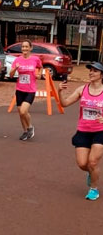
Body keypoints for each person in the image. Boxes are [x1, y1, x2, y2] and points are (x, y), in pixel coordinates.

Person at [58, 62, 103, 201]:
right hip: (83, 130)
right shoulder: (82, 89)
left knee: (93, 162)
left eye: (95, 71)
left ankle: (94, 189)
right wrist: (59, 91)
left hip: (100, 131)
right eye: (90, 70)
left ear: (101, 75)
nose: (91, 73)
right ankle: (91, 173)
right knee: (83, 164)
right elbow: (64, 103)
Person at [9, 40, 42, 141]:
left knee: (24, 111)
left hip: (30, 90)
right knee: (20, 112)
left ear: (30, 48)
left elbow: (40, 68)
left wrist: (39, 75)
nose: (24, 49)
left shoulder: (35, 59)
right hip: (20, 89)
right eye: (23, 47)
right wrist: (15, 69)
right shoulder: (17, 60)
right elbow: (10, 75)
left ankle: (30, 127)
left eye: (26, 47)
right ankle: (25, 131)